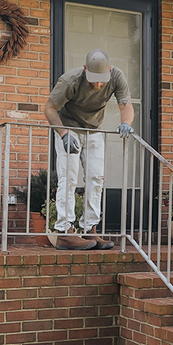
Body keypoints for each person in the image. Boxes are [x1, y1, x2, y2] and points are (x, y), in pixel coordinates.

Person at [43, 49, 134, 250]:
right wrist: (63, 134)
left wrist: (126, 122)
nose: (98, 85)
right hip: (69, 129)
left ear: (109, 70)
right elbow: (49, 108)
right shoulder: (70, 80)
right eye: (93, 80)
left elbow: (125, 105)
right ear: (85, 70)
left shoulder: (116, 76)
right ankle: (65, 232)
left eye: (102, 80)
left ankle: (89, 229)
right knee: (69, 178)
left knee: (96, 178)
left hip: (94, 130)